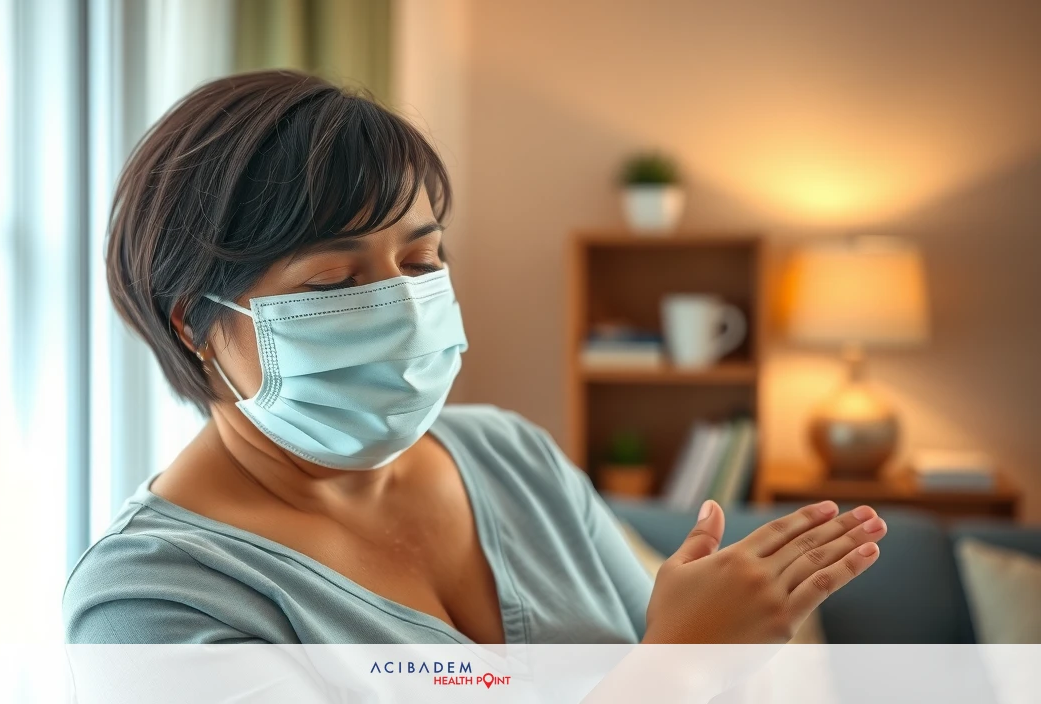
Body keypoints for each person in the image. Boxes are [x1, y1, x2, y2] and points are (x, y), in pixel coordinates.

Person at [63, 70, 887, 644]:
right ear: (193, 324)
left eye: (422, 263)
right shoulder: (150, 599)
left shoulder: (511, 455)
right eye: (334, 281)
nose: (400, 306)